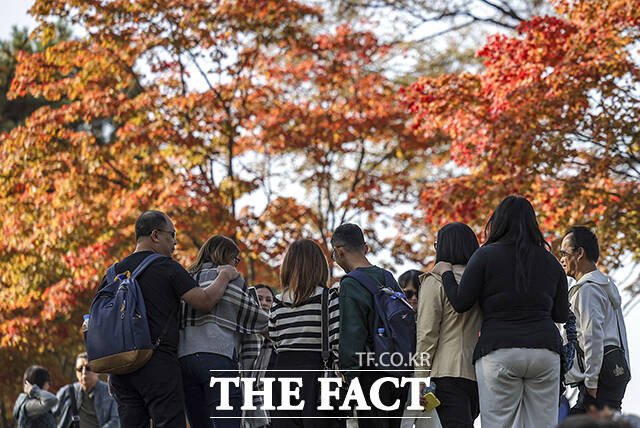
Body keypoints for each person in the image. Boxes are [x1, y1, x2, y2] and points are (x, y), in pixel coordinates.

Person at [432, 195, 568, 428]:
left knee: (498, 423)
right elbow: (561, 315)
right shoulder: (551, 261)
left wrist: (446, 272)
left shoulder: (485, 256)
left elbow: (461, 302)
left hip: (498, 350)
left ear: (497, 222)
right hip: (545, 351)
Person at [104, 210, 239, 428]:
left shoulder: (113, 273)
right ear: (155, 235)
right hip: (158, 365)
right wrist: (224, 275)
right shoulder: (166, 267)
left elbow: (109, 325)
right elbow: (204, 301)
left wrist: (111, 370)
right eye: (172, 235)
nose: (174, 242)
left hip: (121, 367)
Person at [178, 235, 269, 428]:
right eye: (236, 259)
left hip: (184, 360)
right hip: (218, 358)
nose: (236, 265)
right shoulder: (230, 279)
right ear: (226, 256)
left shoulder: (185, 280)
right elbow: (256, 318)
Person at [331, 223, 408, 428]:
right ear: (365, 248)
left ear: (339, 252)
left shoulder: (350, 283)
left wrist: (349, 378)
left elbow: (352, 334)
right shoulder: (388, 277)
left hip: (369, 372)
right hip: (398, 367)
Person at [268, 239, 342, 428]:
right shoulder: (329, 298)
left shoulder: (276, 303)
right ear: (319, 266)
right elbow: (337, 344)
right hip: (317, 380)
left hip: (282, 378)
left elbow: (275, 342)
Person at [560, 226, 631, 413]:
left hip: (599, 375)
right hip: (616, 368)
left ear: (580, 253)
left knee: (576, 423)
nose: (561, 259)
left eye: (564, 253)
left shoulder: (588, 289)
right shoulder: (606, 286)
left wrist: (591, 381)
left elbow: (592, 335)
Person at [417, 222, 481, 428]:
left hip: (446, 372)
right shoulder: (481, 281)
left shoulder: (435, 281)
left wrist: (419, 378)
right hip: (479, 374)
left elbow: (427, 334)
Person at [54, 352, 119, 428]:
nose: (84, 372)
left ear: (97, 371)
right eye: (80, 369)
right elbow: (50, 414)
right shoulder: (67, 392)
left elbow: (116, 421)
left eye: (88, 368)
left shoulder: (109, 392)